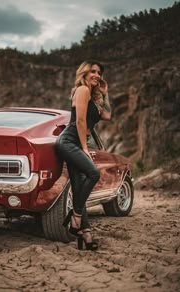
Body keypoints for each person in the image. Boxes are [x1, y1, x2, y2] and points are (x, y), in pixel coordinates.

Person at [55, 60, 111, 250]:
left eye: (99, 72)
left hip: (76, 143)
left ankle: (84, 235)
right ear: (84, 73)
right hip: (69, 141)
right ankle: (75, 216)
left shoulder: (94, 97)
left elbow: (107, 116)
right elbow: (79, 121)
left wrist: (105, 93)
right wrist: (84, 148)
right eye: (93, 71)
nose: (97, 74)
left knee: (79, 187)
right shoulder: (82, 90)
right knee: (93, 173)